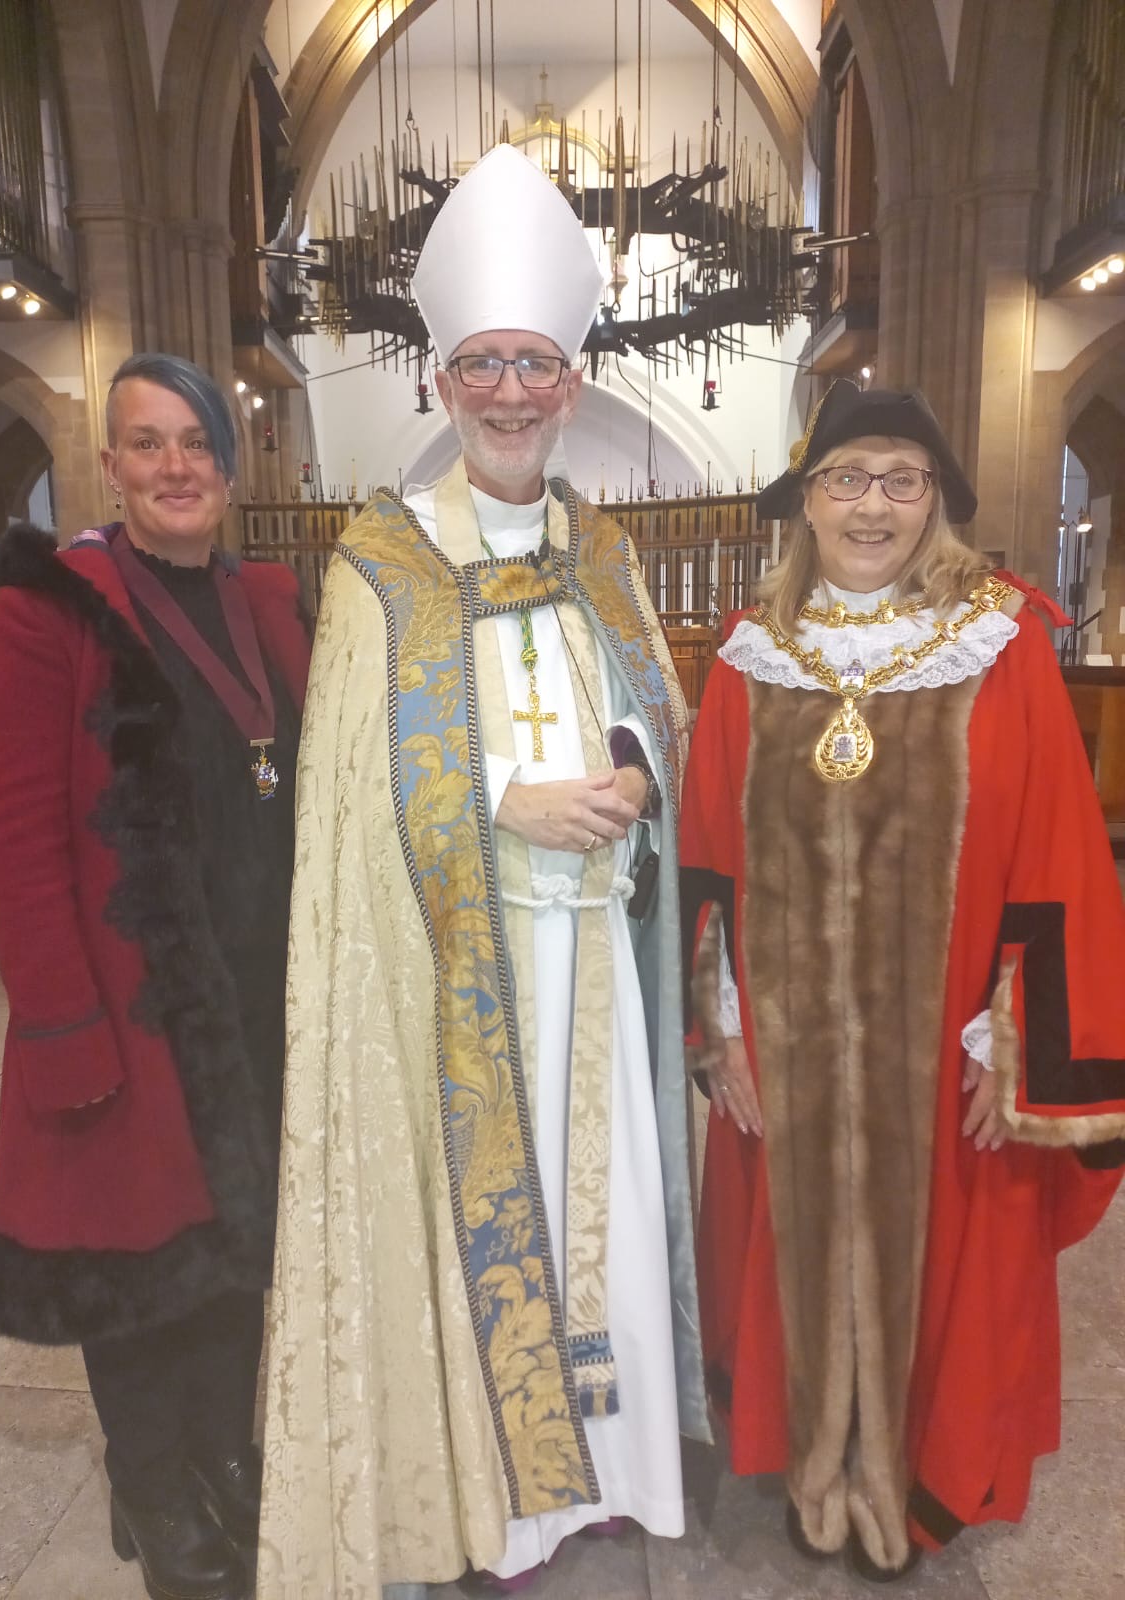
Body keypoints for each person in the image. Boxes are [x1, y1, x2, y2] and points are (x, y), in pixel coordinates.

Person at [258, 143, 709, 1600]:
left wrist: (639, 765)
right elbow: (349, 785)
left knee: (616, 1196)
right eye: (483, 367)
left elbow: (657, 709)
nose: (512, 393)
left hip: (601, 964)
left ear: (574, 380)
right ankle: (505, 1495)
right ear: (443, 384)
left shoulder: (608, 552)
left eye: (537, 365)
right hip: (464, 963)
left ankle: (622, 1467)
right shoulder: (380, 562)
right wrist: (505, 805)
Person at [681, 377, 1125, 1582]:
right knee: (794, 1236)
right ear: (806, 501)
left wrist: (1018, 1031)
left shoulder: (1003, 644)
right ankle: (811, 1456)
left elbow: (1056, 852)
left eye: (901, 480)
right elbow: (710, 851)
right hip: (789, 1036)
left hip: (951, 1039)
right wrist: (718, 1026)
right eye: (846, 479)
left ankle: (912, 1479)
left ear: (937, 499)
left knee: (946, 1252)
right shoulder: (750, 656)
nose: (872, 507)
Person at [0, 353, 311, 1600]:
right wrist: (60, 1026)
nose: (175, 468)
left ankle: (222, 1455)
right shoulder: (50, 606)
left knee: (231, 1251)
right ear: (108, 466)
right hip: (128, 1005)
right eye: (148, 444)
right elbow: (12, 832)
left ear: (229, 466)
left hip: (257, 993)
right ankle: (156, 1484)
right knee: (135, 1265)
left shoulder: (268, 601)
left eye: (197, 445)